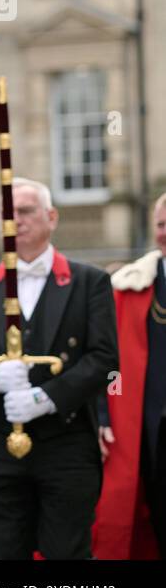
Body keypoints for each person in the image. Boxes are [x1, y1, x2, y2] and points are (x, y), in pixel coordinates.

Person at [0, 177, 118, 559]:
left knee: (66, 551)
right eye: (6, 213)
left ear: (52, 217)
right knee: (4, 551)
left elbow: (105, 361)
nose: (15, 221)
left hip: (66, 443)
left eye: (25, 211)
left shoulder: (89, 282)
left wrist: (46, 397)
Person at [95, 192, 166, 558]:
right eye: (160, 225)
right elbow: (103, 362)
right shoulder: (129, 288)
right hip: (147, 430)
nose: (165, 233)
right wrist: (103, 416)